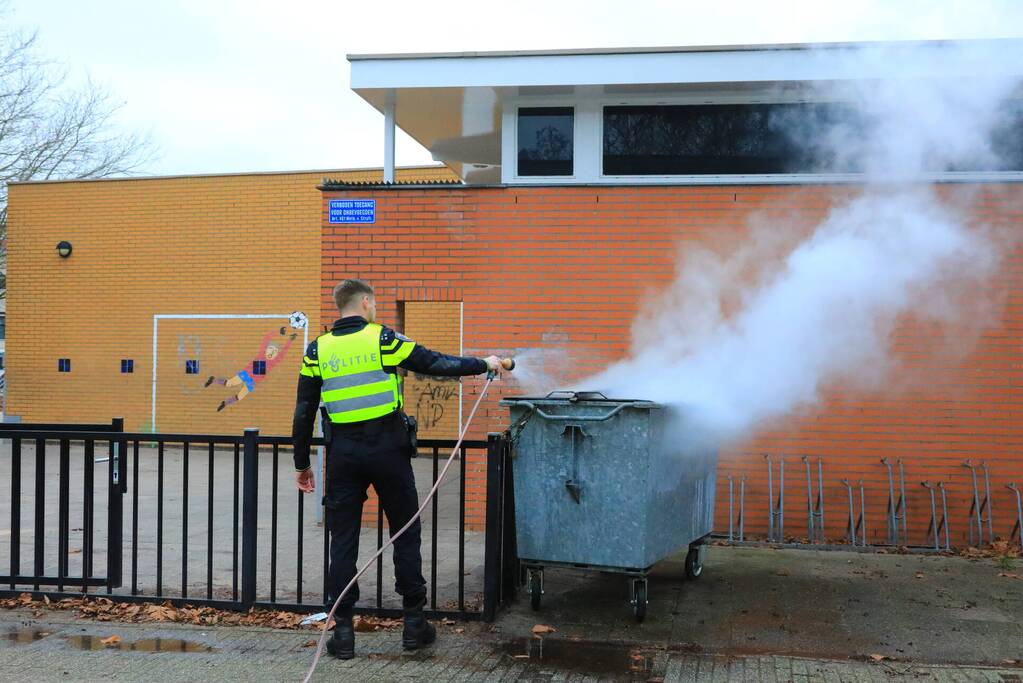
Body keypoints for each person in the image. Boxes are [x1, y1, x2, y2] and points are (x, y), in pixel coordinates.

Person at [291, 278, 502, 660]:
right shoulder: (383, 339)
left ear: (340, 307)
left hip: (342, 455)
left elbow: (304, 409)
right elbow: (434, 362)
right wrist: (483, 364)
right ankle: (414, 624)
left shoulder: (317, 349)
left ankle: (342, 633)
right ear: (367, 302)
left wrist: (303, 463)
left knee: (343, 541)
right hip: (388, 449)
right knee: (405, 530)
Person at [205, 327, 297, 411]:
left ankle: (225, 403)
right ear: (266, 349)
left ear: (277, 354)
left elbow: (283, 352)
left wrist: (289, 341)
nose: (272, 352)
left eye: (275, 351)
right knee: (229, 383)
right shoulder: (262, 353)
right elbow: (267, 339)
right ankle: (213, 380)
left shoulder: (274, 361)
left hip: (252, 382)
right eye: (271, 348)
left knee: (240, 397)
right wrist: (278, 332)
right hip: (246, 374)